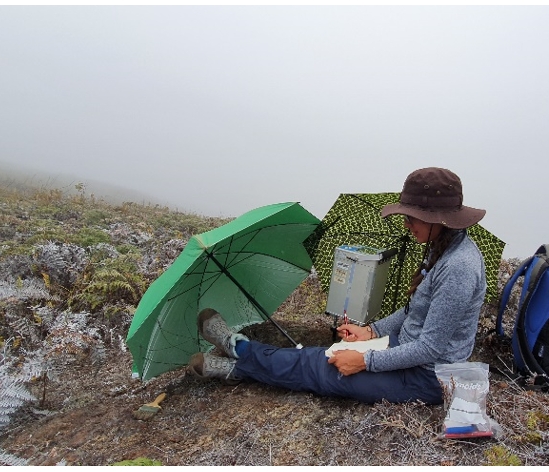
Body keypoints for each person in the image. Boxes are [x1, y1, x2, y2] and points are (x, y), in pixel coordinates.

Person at [187, 167, 488, 405]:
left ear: (439, 219)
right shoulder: (441, 246)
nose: (408, 224)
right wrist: (372, 332)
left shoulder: (459, 267)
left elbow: (430, 348)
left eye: (413, 218)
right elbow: (413, 311)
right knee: (324, 355)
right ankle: (238, 360)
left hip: (427, 377)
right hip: (405, 351)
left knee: (320, 368)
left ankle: (237, 356)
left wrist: (365, 360)